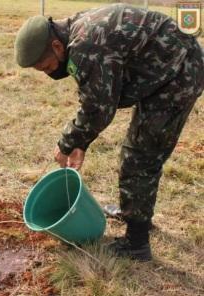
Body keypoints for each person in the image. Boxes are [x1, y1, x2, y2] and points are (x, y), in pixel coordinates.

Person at [14, 3, 204, 261]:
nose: (49, 73)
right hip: (163, 68)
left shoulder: (86, 46)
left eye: (46, 67)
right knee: (139, 153)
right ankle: (135, 213)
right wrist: (83, 142)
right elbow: (99, 94)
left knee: (140, 157)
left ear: (57, 47)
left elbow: (98, 108)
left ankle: (136, 243)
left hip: (178, 74)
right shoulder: (75, 32)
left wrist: (68, 143)